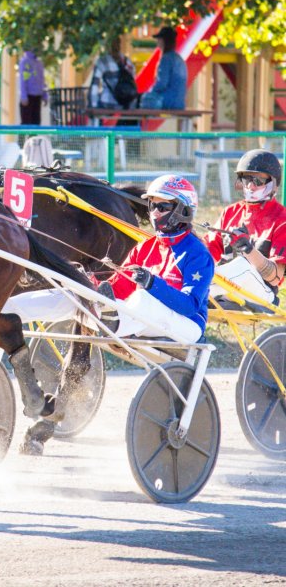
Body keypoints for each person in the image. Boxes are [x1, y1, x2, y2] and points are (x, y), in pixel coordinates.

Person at [18, 174, 215, 455]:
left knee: (141, 297)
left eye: (162, 207)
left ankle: (109, 318)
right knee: (75, 296)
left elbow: (189, 305)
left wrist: (151, 283)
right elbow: (118, 287)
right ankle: (9, 311)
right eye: (152, 206)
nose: (154, 213)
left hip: (185, 326)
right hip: (138, 316)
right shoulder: (145, 247)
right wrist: (88, 285)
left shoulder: (197, 254)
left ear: (182, 210)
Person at [204, 149, 286, 307]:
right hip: (226, 289)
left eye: (257, 180)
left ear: (273, 182)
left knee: (242, 265)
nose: (250, 186)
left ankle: (193, 290)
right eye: (246, 179)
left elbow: (275, 278)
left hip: (262, 294)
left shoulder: (282, 219)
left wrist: (248, 250)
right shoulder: (230, 212)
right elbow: (207, 253)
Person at [140, 27, 187, 110]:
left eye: (159, 39)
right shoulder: (179, 59)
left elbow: (161, 83)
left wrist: (150, 92)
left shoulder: (166, 59)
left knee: (141, 100)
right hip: (180, 103)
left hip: (166, 101)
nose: (157, 41)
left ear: (164, 41)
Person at [88, 38, 137, 110]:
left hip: (107, 103)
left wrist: (93, 105)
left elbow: (94, 87)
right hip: (125, 104)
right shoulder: (127, 62)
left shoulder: (102, 62)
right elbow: (132, 81)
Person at [19, 51, 48, 125]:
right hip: (28, 96)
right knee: (25, 123)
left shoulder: (39, 62)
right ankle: (23, 137)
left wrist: (45, 95)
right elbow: (23, 79)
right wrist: (23, 96)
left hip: (37, 96)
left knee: (36, 122)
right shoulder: (24, 61)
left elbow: (42, 79)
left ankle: (34, 137)